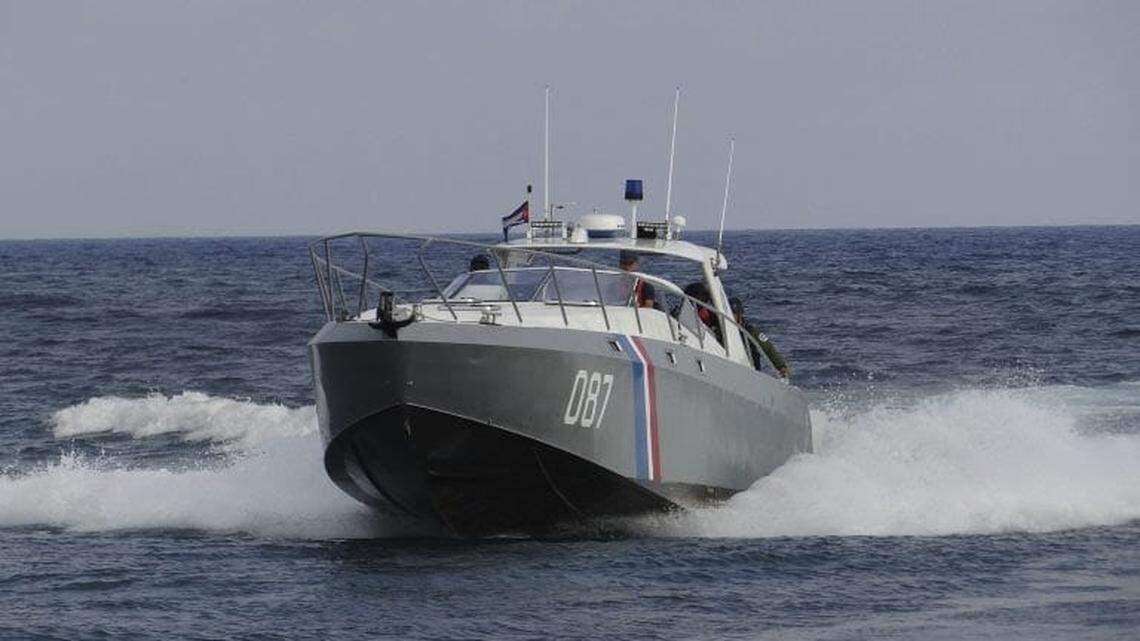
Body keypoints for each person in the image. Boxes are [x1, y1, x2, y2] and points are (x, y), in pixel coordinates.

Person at [730, 296, 790, 379]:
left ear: (740, 314)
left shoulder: (751, 331)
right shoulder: (722, 330)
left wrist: (781, 366)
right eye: (730, 313)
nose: (731, 316)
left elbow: (768, 348)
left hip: (751, 371)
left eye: (734, 313)